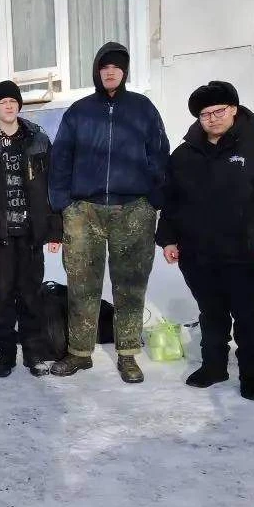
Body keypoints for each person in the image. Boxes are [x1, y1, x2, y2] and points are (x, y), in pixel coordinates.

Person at [157, 82, 254, 400]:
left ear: (234, 109)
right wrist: (168, 239)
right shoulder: (184, 155)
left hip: (245, 254)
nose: (212, 118)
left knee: (248, 316)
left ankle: (252, 375)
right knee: (211, 314)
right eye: (205, 114)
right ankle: (214, 367)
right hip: (199, 254)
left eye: (219, 111)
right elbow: (172, 202)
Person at [49, 42, 170, 384]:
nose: (110, 72)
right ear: (97, 72)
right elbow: (61, 158)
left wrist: (154, 199)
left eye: (117, 66)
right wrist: (63, 203)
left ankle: (128, 353)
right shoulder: (79, 112)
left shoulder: (143, 109)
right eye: (104, 67)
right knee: (81, 284)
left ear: (125, 71)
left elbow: (160, 154)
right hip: (84, 210)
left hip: (132, 209)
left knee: (130, 284)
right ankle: (79, 352)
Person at [0, 81, 62, 378]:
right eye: (2, 102)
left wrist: (54, 230)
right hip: (0, 236)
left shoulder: (39, 141)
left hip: (31, 233)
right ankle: (6, 354)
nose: (8, 106)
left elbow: (53, 187)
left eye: (12, 101)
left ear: (19, 105)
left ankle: (34, 353)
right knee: (4, 295)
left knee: (31, 295)